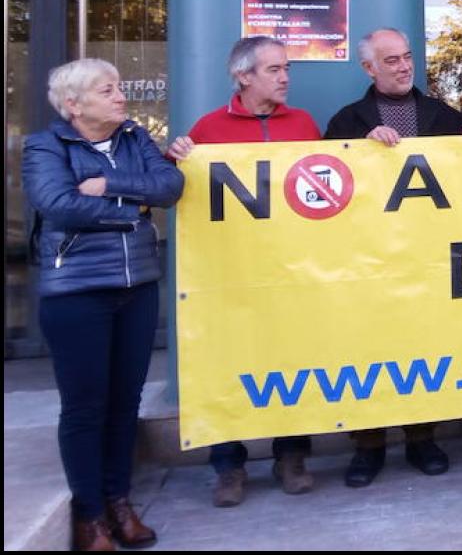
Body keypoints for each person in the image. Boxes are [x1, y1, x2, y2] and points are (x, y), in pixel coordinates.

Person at [23, 58, 184, 550]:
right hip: (76, 292)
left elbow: (170, 186)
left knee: (125, 402)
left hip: (136, 289)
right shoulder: (45, 146)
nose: (120, 96)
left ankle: (119, 501)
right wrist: (133, 210)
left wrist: (112, 187)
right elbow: (58, 204)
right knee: (85, 407)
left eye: (118, 88)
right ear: (74, 104)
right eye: (107, 89)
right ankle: (89, 514)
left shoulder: (135, 137)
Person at [167, 36, 321, 506]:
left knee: (293, 360)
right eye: (274, 69)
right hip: (230, 273)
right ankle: (228, 466)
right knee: (227, 363)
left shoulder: (304, 124)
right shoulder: (209, 129)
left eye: (286, 68)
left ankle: (291, 456)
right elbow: (175, 185)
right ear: (244, 76)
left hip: (292, 269)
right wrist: (175, 157)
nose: (285, 77)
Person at [324, 28, 462, 486]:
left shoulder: (443, 116)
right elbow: (332, 189)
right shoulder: (347, 122)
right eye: (392, 61)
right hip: (369, 259)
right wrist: (364, 148)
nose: (404, 67)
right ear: (369, 68)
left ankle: (422, 438)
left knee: (424, 345)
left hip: (429, 255)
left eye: (407, 58)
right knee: (369, 348)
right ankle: (368, 446)